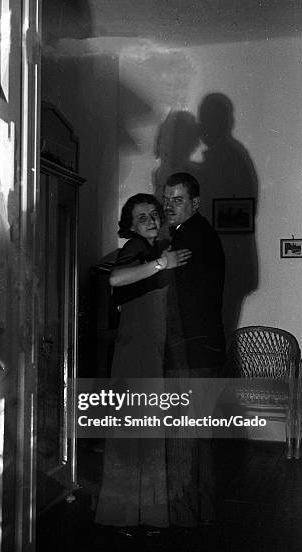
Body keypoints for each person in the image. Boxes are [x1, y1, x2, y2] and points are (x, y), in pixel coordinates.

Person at [95, 193, 191, 530]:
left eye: (153, 214)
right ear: (130, 224)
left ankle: (139, 515)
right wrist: (163, 264)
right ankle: (126, 515)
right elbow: (115, 278)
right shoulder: (136, 247)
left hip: (149, 350)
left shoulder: (152, 249)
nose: (150, 219)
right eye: (141, 216)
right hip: (134, 352)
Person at [162, 172, 225, 528]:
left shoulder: (191, 240)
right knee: (196, 439)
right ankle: (199, 519)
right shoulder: (196, 234)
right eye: (167, 199)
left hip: (191, 358)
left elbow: (178, 306)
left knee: (186, 440)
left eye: (178, 200)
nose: (170, 206)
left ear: (195, 203)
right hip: (202, 355)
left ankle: (185, 522)